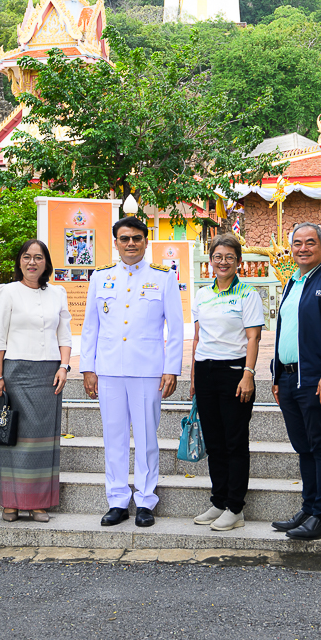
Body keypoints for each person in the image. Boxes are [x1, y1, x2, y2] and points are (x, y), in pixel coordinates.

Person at [79, 216, 183, 527]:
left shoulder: (163, 278)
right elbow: (90, 327)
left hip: (148, 369)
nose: (131, 244)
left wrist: (171, 369)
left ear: (146, 241)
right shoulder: (101, 278)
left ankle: (147, 500)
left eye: (137, 238)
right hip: (109, 368)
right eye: (124, 238)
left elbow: (175, 328)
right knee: (114, 438)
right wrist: (88, 367)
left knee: (148, 437)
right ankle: (118, 500)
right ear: (116, 242)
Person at [270, 222, 321, 540]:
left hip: (316, 379)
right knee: (303, 447)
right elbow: (285, 332)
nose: (303, 248)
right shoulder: (293, 281)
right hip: (289, 378)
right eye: (297, 244)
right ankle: (308, 508)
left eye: (310, 243)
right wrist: (277, 374)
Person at [0, 239, 72, 523]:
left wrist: (64, 366)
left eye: (38, 257)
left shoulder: (57, 293)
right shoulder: (7, 291)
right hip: (15, 371)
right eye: (27, 257)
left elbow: (64, 335)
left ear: (46, 262)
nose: (32, 262)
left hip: (49, 374)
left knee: (43, 440)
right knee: (14, 437)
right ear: (20, 261)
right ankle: (11, 503)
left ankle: (38, 504)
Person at [190, 234, 265, 531]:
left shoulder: (248, 294)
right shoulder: (201, 294)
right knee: (215, 443)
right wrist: (194, 378)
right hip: (205, 371)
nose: (223, 262)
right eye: (218, 257)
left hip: (235, 373)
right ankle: (219, 501)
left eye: (229, 257)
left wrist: (248, 374)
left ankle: (236, 507)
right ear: (210, 261)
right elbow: (197, 338)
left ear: (239, 262)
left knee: (235, 442)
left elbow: (253, 337)